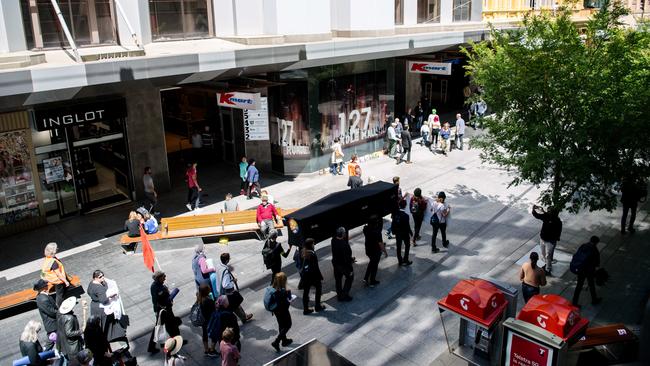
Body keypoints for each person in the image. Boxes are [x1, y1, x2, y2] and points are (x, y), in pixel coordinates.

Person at [87, 270, 127, 342]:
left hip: (94, 306)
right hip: (102, 309)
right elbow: (104, 300)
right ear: (96, 278)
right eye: (100, 277)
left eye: (103, 276)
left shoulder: (91, 283)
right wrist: (111, 295)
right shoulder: (99, 288)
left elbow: (88, 292)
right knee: (106, 323)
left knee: (99, 323)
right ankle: (109, 336)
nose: (103, 278)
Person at [148, 271, 181, 353]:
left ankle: (177, 340)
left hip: (167, 308)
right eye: (163, 276)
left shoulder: (161, 285)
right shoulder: (154, 287)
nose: (165, 278)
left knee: (172, 325)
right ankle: (152, 347)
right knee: (159, 328)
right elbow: (155, 300)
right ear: (159, 278)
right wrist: (156, 311)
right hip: (162, 311)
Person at [217, 253, 254, 323]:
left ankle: (243, 316)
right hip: (228, 292)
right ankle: (243, 317)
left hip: (221, 291)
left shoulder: (218, 266)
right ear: (227, 260)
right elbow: (225, 285)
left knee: (234, 306)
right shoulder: (225, 271)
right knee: (235, 305)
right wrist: (233, 282)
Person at [531, 205, 562, 276]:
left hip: (550, 241)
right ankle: (547, 264)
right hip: (543, 239)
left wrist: (544, 212)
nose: (548, 212)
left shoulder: (557, 221)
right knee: (544, 254)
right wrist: (534, 210)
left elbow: (554, 223)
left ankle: (548, 269)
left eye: (549, 212)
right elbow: (537, 215)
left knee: (548, 256)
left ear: (553, 213)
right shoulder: (546, 217)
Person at [572, 236, 602, 307]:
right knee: (591, 285)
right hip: (589, 271)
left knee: (579, 285)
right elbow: (597, 263)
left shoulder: (583, 245)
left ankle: (574, 302)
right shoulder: (594, 250)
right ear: (596, 242)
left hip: (581, 269)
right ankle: (594, 299)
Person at [41, 242, 71, 307]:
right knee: (60, 294)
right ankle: (60, 307)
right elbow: (58, 274)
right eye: (56, 248)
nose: (57, 249)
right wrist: (65, 281)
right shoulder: (53, 262)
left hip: (50, 279)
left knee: (61, 293)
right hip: (57, 281)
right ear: (53, 251)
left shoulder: (47, 258)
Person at [300, 238, 325, 314]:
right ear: (311, 245)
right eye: (313, 243)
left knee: (306, 292)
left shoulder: (303, 252)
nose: (314, 245)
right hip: (313, 277)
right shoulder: (312, 254)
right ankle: (317, 306)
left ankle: (305, 309)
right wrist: (320, 276)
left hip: (305, 276)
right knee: (318, 289)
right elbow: (315, 267)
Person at [270, 272, 293, 352]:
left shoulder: (273, 288)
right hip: (283, 311)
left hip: (276, 311)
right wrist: (289, 298)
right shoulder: (281, 292)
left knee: (281, 325)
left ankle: (284, 340)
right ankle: (277, 341)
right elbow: (285, 303)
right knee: (288, 325)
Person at [57, 297, 84, 363]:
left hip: (66, 347)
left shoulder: (61, 316)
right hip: (73, 347)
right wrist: (80, 331)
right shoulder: (70, 318)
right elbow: (69, 333)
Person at [331, 227, 355, 301]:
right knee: (350, 278)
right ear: (342, 234)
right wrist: (350, 269)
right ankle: (344, 295)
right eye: (344, 233)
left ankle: (339, 295)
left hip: (336, 264)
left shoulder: (333, 240)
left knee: (338, 280)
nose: (345, 234)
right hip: (343, 266)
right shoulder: (345, 245)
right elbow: (347, 258)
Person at [363, 216, 387, 287]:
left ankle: (366, 278)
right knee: (374, 266)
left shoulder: (365, 229)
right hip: (375, 251)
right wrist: (385, 251)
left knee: (371, 263)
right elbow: (380, 244)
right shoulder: (377, 232)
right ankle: (372, 281)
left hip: (368, 250)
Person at [34, 279, 57, 347]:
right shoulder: (43, 299)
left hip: (53, 324)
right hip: (53, 325)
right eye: (46, 285)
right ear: (43, 288)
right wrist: (62, 312)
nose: (47, 285)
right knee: (50, 342)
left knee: (54, 341)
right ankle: (43, 355)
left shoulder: (42, 296)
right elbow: (52, 312)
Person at [197, 285, 218, 357]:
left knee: (205, 334)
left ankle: (206, 350)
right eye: (208, 288)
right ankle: (212, 350)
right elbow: (214, 309)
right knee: (214, 333)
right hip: (210, 320)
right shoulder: (208, 301)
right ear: (206, 291)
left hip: (203, 320)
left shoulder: (199, 298)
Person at [392, 199, 413, 266]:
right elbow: (407, 226)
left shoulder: (395, 213)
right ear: (405, 206)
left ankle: (400, 261)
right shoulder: (406, 216)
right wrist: (410, 232)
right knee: (407, 245)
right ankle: (405, 259)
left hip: (398, 233)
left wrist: (393, 231)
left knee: (398, 247)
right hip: (405, 233)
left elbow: (393, 223)